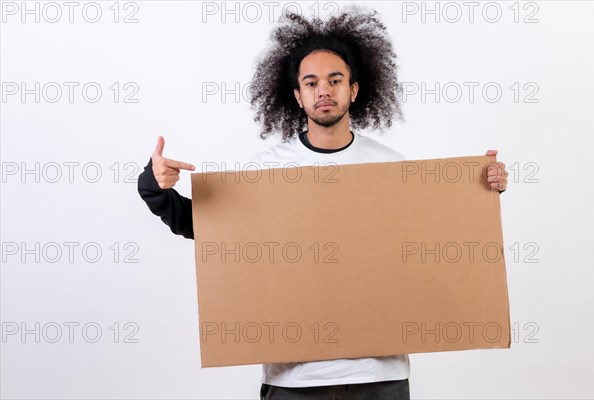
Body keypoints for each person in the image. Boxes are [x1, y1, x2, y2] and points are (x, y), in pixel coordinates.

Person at [137, 6, 508, 400]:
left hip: (379, 377)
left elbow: (438, 240)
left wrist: (481, 190)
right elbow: (206, 229)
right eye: (311, 83)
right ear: (297, 95)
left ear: (354, 89)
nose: (324, 91)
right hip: (294, 381)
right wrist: (155, 185)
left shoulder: (389, 166)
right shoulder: (267, 171)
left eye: (335, 80)